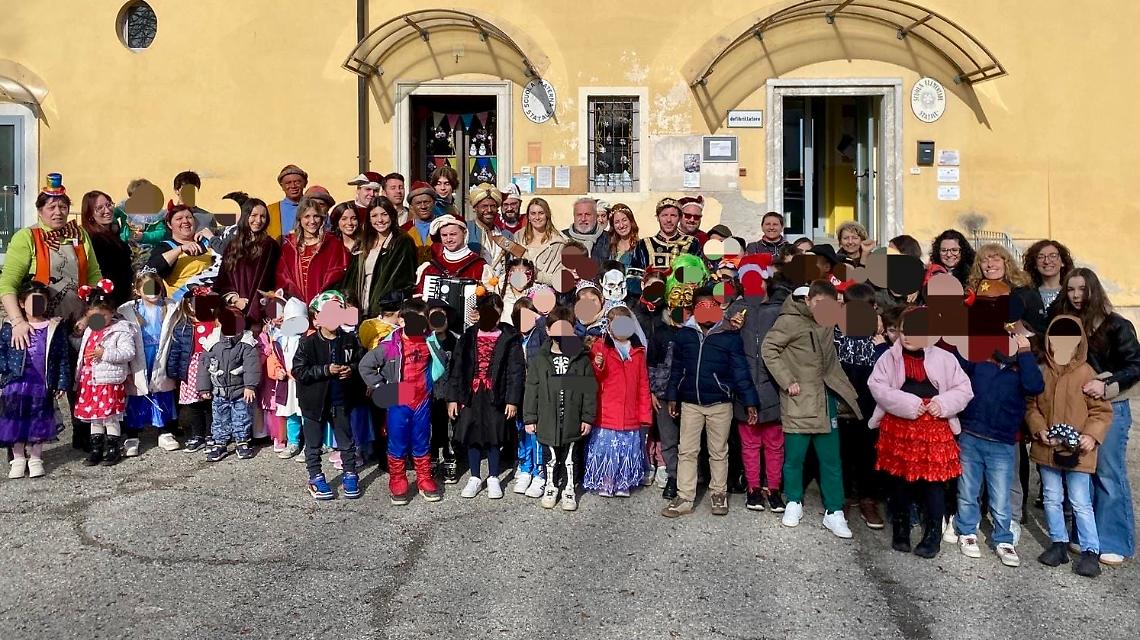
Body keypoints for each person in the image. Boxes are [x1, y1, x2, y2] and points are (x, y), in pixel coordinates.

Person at [1050, 267, 1139, 565]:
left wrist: (1107, 383)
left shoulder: (1117, 325)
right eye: (1071, 289)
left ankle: (1114, 540)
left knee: (1108, 474)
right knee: (1081, 471)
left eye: (1081, 289)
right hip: (1078, 407)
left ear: (1093, 290)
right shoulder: (1067, 322)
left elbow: (1135, 365)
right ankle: (1085, 536)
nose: (1076, 295)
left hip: (1112, 406)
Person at [868, 306, 974, 558]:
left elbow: (964, 389)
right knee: (900, 482)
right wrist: (907, 404)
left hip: (934, 429)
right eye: (904, 331)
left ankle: (933, 534)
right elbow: (877, 386)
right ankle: (901, 529)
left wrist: (943, 403)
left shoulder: (945, 359)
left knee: (933, 485)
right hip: (900, 426)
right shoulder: (889, 358)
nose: (907, 337)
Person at [761, 280, 862, 538]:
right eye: (818, 304)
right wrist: (787, 380)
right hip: (799, 398)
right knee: (795, 457)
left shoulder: (828, 320)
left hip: (825, 398)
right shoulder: (789, 320)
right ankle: (793, 501)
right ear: (808, 300)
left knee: (831, 459)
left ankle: (834, 511)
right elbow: (768, 349)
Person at [662, 286, 760, 518]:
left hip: (720, 403)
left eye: (712, 306)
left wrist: (750, 401)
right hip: (691, 403)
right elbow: (676, 368)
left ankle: (718, 493)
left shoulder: (729, 335)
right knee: (687, 450)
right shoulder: (685, 334)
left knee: (718, 451)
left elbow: (740, 370)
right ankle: (685, 496)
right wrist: (673, 395)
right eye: (701, 306)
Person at [1027, 314, 1113, 578]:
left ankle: (1090, 550)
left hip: (1078, 453)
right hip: (1048, 448)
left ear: (1079, 343)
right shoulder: (1041, 371)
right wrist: (1039, 430)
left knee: (1080, 501)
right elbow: (1031, 406)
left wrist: (1091, 435)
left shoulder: (1087, 373)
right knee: (1052, 497)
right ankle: (1058, 542)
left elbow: (1101, 412)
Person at [952, 327, 1044, 567]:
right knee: (968, 489)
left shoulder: (1022, 370)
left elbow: (1035, 386)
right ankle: (967, 531)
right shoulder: (981, 361)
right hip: (971, 434)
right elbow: (958, 366)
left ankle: (1003, 538)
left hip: (1002, 442)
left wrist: (1025, 353)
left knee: (1001, 494)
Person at [360, 298, 444, 505]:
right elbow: (366, 366)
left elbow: (441, 362)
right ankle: (397, 479)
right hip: (400, 397)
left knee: (422, 440)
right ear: (402, 321)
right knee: (397, 440)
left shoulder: (429, 341)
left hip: (423, 399)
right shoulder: (390, 345)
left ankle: (424, 478)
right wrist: (382, 388)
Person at [441, 293, 525, 500]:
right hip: (470, 394)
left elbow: (516, 371)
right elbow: (457, 368)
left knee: (494, 436)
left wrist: (512, 400)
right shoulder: (468, 336)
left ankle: (494, 477)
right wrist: (453, 398)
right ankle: (475, 477)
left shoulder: (509, 337)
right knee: (472, 436)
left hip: (496, 394)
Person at [0, 173, 103, 335]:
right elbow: (7, 284)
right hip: (39, 329)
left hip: (79, 326)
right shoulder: (26, 237)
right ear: (40, 211)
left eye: (63, 207)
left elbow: (94, 276)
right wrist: (18, 322)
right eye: (51, 207)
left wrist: (90, 315)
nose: (58, 212)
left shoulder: (79, 234)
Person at [722, 255, 785, 512]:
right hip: (744, 385)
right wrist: (730, 327)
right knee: (749, 443)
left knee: (774, 442)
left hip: (772, 386)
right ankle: (753, 487)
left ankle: (774, 487)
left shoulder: (778, 310)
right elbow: (724, 345)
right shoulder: (735, 310)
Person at [524, 306, 597, 511]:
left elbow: (588, 389)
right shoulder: (540, 359)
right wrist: (530, 418)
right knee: (550, 456)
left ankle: (568, 488)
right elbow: (532, 388)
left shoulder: (581, 359)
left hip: (572, 417)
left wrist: (587, 417)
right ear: (547, 330)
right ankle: (550, 486)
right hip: (547, 418)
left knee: (570, 456)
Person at [293, 291, 364, 501]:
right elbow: (299, 371)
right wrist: (325, 370)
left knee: (346, 440)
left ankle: (350, 473)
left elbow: (361, 362)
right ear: (316, 318)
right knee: (313, 443)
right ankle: (315, 476)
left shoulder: (350, 339)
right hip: (313, 403)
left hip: (341, 400)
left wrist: (351, 369)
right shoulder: (308, 343)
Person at [0, 281, 71, 478]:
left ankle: (36, 457)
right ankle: (18, 458)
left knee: (39, 419)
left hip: (41, 383)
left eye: (42, 301)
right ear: (22, 303)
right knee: (15, 420)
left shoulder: (54, 326)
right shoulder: (9, 326)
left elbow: (62, 357)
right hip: (15, 384)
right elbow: (2, 351)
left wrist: (61, 382)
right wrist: (5, 372)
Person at [584, 304, 651, 497]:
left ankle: (624, 481)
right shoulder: (600, 346)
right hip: (607, 409)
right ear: (609, 326)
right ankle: (606, 480)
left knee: (627, 448)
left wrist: (644, 414)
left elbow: (643, 384)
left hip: (630, 412)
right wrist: (596, 366)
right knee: (606, 448)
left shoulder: (638, 351)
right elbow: (593, 379)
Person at [833, 282, 884, 528]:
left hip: (871, 404)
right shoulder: (837, 333)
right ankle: (843, 496)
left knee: (868, 453)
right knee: (842, 452)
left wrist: (882, 342)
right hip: (842, 403)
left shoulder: (880, 338)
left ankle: (867, 499)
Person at [75, 280, 138, 467]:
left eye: (103, 315)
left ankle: (112, 448)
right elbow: (81, 352)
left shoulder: (120, 330)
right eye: (94, 316)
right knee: (95, 417)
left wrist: (106, 354)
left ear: (111, 313)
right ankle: (96, 448)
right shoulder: (89, 331)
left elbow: (129, 353)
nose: (99, 320)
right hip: (91, 381)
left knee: (110, 417)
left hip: (109, 381)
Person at [119, 271, 180, 453]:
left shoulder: (171, 308)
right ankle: (132, 435)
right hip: (139, 356)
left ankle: (165, 431)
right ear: (138, 290)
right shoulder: (126, 311)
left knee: (162, 392)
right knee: (136, 394)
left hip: (161, 355)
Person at [197, 308, 261, 462]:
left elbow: (252, 365)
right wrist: (204, 387)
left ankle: (242, 441)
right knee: (219, 418)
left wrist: (250, 386)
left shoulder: (246, 342)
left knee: (242, 416)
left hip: (240, 390)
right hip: (219, 390)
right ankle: (220, 443)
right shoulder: (213, 341)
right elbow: (204, 365)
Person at [344, 197, 418, 319]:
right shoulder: (363, 243)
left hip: (386, 311)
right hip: (360, 309)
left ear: (392, 216)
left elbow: (403, 280)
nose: (380, 220)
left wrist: (384, 306)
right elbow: (352, 279)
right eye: (374, 216)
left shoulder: (402, 242)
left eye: (384, 214)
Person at [166, 291, 220, 452]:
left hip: (211, 367)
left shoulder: (215, 325)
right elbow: (175, 351)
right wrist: (172, 370)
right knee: (194, 405)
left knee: (210, 403)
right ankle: (198, 435)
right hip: (190, 369)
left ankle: (212, 434)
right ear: (188, 305)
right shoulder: (183, 326)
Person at [214, 198, 280, 326]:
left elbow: (271, 281)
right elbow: (223, 279)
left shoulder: (269, 246)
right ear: (245, 216)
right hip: (234, 310)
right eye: (254, 215)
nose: (258, 221)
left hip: (260, 312)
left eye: (263, 217)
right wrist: (234, 299)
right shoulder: (233, 246)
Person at [511, 296, 549, 496]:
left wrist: (539, 319)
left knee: (536, 432)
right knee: (522, 430)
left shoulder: (541, 334)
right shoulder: (516, 337)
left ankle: (540, 472)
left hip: (539, 392)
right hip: (521, 392)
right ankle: (525, 466)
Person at [278, 197, 350, 304]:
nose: (312, 221)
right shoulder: (289, 247)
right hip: (295, 307)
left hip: (325, 305)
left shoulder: (332, 244)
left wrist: (322, 299)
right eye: (307, 216)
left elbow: (338, 275)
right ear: (300, 219)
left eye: (316, 216)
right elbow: (282, 277)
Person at [145, 204, 220, 301]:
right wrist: (180, 249)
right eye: (179, 218)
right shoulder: (165, 247)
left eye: (189, 217)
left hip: (214, 297)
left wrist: (212, 238)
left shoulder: (207, 242)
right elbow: (149, 270)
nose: (185, 221)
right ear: (169, 224)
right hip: (183, 304)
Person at [414, 216, 492, 298]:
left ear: (465, 233)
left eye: (453, 234)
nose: (448, 239)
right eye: (444, 235)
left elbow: (490, 302)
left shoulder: (480, 266)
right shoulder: (430, 268)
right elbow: (418, 300)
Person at [80, 190, 133, 307]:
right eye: (99, 208)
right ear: (89, 214)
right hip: (107, 301)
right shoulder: (93, 239)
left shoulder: (114, 234)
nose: (107, 210)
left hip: (121, 299)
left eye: (109, 205)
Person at [631, 198, 701, 275]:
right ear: (658, 218)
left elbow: (699, 274)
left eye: (673, 215)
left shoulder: (692, 243)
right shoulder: (643, 244)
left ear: (680, 218)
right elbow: (634, 278)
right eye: (664, 215)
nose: (668, 220)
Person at [467, 183, 520, 280]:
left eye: (493, 206)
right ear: (475, 208)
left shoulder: (506, 235)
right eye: (484, 206)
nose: (489, 210)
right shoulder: (466, 230)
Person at [1021, 239, 1073, 335]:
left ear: (1063, 262)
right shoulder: (1024, 295)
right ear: (1035, 264)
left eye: (1053, 256)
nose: (1047, 261)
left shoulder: (1072, 293)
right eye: (1040, 257)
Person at [519, 198, 567, 286]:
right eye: (533, 214)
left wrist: (537, 275)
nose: (537, 217)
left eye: (541, 213)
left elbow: (562, 279)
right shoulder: (519, 237)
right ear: (528, 217)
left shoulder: (558, 243)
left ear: (547, 215)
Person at [266, 164, 308, 241]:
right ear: (282, 186)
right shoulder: (270, 210)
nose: (293, 186)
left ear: (305, 183)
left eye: (297, 182)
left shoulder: (315, 208)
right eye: (288, 183)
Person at [591, 203, 638, 269]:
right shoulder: (608, 246)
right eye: (617, 222)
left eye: (624, 220)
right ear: (613, 225)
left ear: (631, 221)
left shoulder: (640, 247)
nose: (621, 225)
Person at [404, 180, 437, 264]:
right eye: (418, 203)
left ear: (434, 203)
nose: (423, 206)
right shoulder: (404, 230)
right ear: (411, 207)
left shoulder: (444, 227)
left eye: (426, 202)